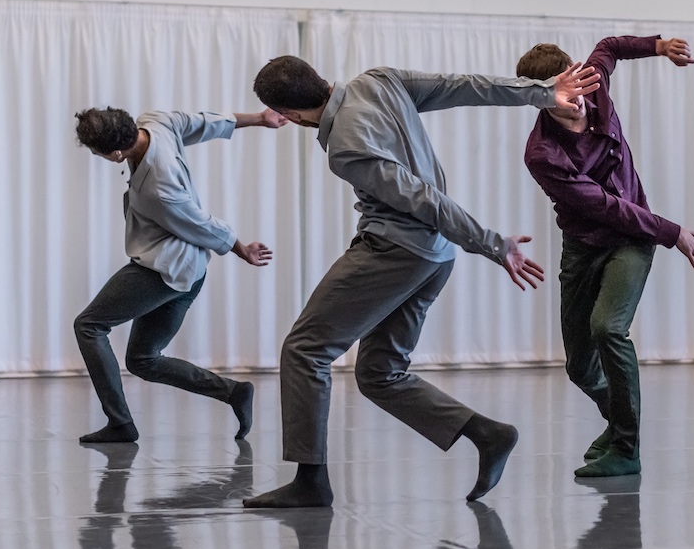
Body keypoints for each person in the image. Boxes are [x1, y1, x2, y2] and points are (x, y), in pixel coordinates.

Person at [243, 56, 601, 508]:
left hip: (395, 252)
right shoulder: (379, 80)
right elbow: (465, 84)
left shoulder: (346, 146)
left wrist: (492, 244)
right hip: (436, 257)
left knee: (305, 349)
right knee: (379, 373)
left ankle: (311, 482)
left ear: (292, 116)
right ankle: (488, 434)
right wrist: (542, 91)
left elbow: (420, 199)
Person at [516, 36, 694, 478]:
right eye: (565, 97)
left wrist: (659, 47)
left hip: (633, 238)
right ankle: (620, 424)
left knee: (609, 327)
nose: (579, 100)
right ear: (541, 100)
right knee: (580, 367)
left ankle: (626, 448)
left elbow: (610, 46)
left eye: (579, 85)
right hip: (585, 246)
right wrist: (673, 231)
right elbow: (604, 207)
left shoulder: (593, 81)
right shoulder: (542, 154)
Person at [73, 107, 285, 444]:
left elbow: (198, 222)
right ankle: (234, 392)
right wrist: (258, 118)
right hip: (190, 271)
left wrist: (240, 247)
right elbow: (202, 122)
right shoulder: (154, 122)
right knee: (143, 359)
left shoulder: (160, 186)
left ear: (115, 155)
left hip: (164, 269)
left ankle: (120, 424)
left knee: (89, 326)